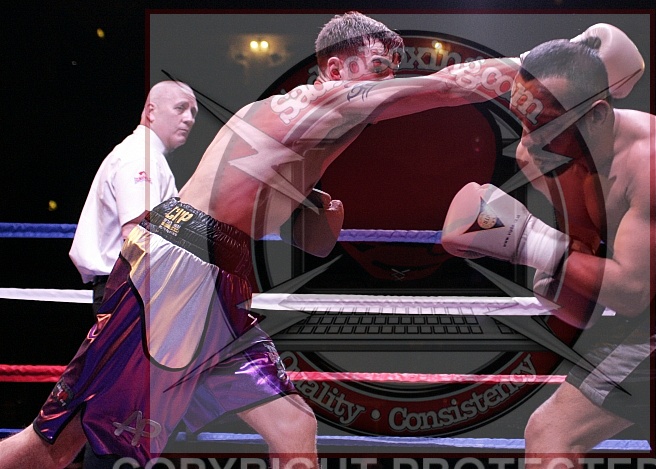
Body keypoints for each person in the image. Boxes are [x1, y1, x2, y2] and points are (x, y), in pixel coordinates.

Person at [0, 12, 527, 469]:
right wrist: (534, 68)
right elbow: (448, 87)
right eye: (379, 68)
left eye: (393, 68)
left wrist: (319, 211)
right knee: (58, 447)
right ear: (336, 70)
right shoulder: (318, 105)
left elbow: (312, 244)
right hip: (180, 265)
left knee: (293, 423)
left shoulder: (305, 129)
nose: (390, 81)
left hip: (223, 278)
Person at [441, 24, 656, 468]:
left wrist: (525, 239)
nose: (528, 139)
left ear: (596, 116)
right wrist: (550, 280)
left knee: (552, 431)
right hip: (653, 293)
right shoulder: (539, 156)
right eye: (523, 119)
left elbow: (629, 291)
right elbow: (584, 282)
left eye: (544, 124)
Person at [70, 80, 198, 317]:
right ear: (151, 111)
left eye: (193, 112)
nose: (189, 118)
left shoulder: (147, 154)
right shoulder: (140, 155)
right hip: (132, 290)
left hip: (132, 288)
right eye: (180, 108)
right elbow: (136, 233)